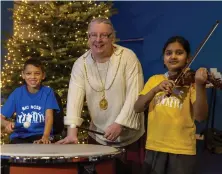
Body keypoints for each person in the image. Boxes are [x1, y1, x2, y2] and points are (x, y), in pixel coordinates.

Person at [56, 17, 145, 173]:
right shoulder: (80, 63)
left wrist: (120, 123)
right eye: (93, 35)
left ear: (112, 38)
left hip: (129, 136)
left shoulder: (128, 57)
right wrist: (72, 133)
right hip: (98, 135)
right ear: (88, 37)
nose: (98, 40)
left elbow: (135, 94)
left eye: (104, 35)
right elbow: (74, 99)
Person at [134, 36, 208, 174]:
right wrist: (155, 89)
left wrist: (199, 85)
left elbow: (201, 116)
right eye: (168, 53)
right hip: (155, 146)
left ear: (188, 58)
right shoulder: (154, 80)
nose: (173, 56)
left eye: (179, 53)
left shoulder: (191, 84)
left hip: (182, 150)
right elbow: (137, 107)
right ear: (163, 58)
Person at [1, 57, 60, 144]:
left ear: (43, 75)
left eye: (37, 73)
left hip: (41, 135)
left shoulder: (48, 92)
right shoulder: (17, 93)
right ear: (23, 75)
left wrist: (45, 136)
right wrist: (6, 124)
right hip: (19, 136)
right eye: (28, 73)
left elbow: (49, 117)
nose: (33, 77)